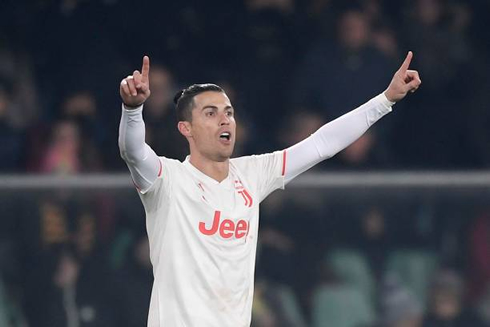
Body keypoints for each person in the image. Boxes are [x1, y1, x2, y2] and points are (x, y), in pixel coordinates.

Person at [118, 52, 421, 326]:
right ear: (186, 128)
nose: (225, 119)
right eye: (211, 113)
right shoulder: (168, 179)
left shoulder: (252, 174)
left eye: (229, 112)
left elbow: (321, 144)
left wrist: (385, 100)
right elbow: (134, 151)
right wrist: (132, 110)